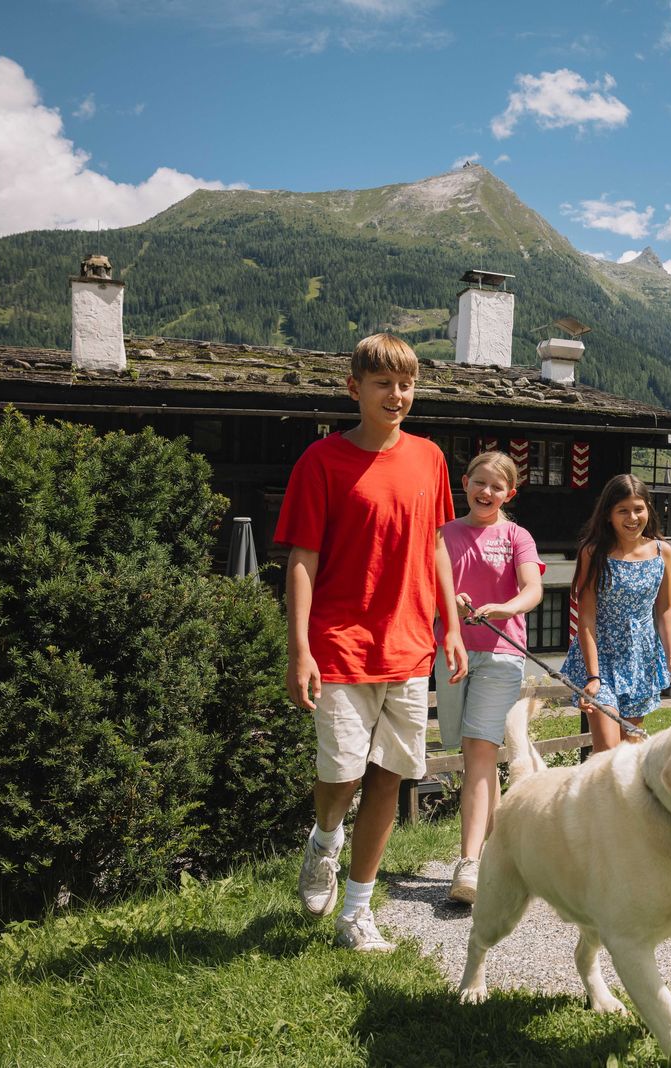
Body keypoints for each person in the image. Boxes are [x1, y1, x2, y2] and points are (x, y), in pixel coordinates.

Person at [275, 332, 467, 952]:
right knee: (341, 775)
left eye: (407, 384)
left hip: (409, 645)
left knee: (389, 774)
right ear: (354, 388)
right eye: (383, 383)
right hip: (339, 644)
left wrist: (452, 627)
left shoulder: (430, 458)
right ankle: (325, 837)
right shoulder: (320, 462)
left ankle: (357, 912)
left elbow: (436, 544)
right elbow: (302, 558)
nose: (397, 395)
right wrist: (299, 647)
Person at [435, 450, 545, 905]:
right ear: (465, 482)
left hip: (501, 653)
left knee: (479, 753)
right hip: (452, 651)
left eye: (497, 487)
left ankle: (470, 864)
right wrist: (450, 605)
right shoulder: (443, 534)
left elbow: (533, 590)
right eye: (480, 482)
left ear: (509, 493)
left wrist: (506, 607)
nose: (487, 492)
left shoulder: (517, 535)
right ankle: (509, 855)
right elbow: (427, 590)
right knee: (465, 747)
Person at [560, 473, 671, 752]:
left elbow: (665, 610)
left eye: (638, 509)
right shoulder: (593, 553)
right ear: (608, 515)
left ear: (648, 510)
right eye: (623, 511)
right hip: (599, 656)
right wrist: (593, 676)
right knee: (607, 750)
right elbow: (586, 618)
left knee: (630, 751)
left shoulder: (662, 551)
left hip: (639, 657)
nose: (632, 518)